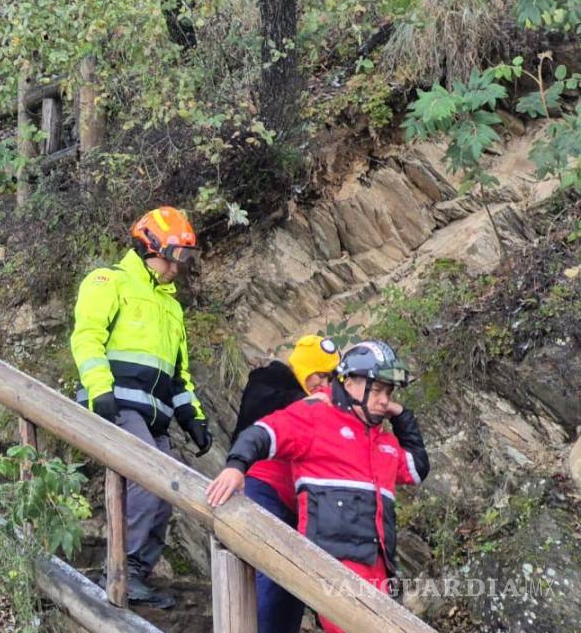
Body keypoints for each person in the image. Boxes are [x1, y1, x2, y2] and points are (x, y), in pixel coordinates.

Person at [207, 340, 430, 633]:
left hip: (379, 568)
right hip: (332, 565)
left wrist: (401, 416)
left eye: (388, 392)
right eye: (376, 390)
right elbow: (263, 432)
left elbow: (416, 469)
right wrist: (236, 466)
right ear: (348, 382)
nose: (383, 400)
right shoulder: (315, 416)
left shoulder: (385, 443)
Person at [70, 206, 212, 610]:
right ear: (152, 248)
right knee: (148, 482)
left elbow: (178, 376)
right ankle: (120, 573)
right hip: (115, 405)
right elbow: (87, 338)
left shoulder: (171, 307)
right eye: (175, 257)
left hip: (155, 416)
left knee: (166, 490)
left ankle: (138, 573)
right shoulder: (108, 281)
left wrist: (193, 418)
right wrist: (100, 390)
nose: (178, 268)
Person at [231, 335, 340, 633]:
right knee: (273, 570)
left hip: (300, 503)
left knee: (293, 587)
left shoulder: (327, 406)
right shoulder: (269, 379)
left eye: (331, 377)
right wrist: (308, 403)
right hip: (261, 486)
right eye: (320, 374)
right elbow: (261, 409)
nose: (323, 383)